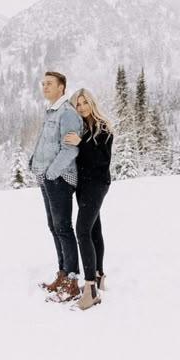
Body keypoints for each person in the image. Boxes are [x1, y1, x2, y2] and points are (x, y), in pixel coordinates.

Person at [30, 71, 84, 301]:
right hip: (46, 177)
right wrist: (33, 161)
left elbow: (70, 148)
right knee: (54, 226)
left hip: (59, 179)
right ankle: (62, 274)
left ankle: (72, 281)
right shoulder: (51, 111)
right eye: (43, 83)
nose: (45, 87)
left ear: (62, 87)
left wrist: (52, 173)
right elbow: (45, 142)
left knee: (63, 227)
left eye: (50, 83)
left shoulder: (68, 113)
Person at [64, 88, 113, 310]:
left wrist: (80, 142)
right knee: (93, 230)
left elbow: (101, 160)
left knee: (82, 231)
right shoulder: (80, 127)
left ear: (91, 103)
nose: (82, 107)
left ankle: (90, 288)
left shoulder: (103, 127)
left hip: (97, 183)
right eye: (78, 104)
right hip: (82, 185)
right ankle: (99, 274)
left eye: (85, 103)